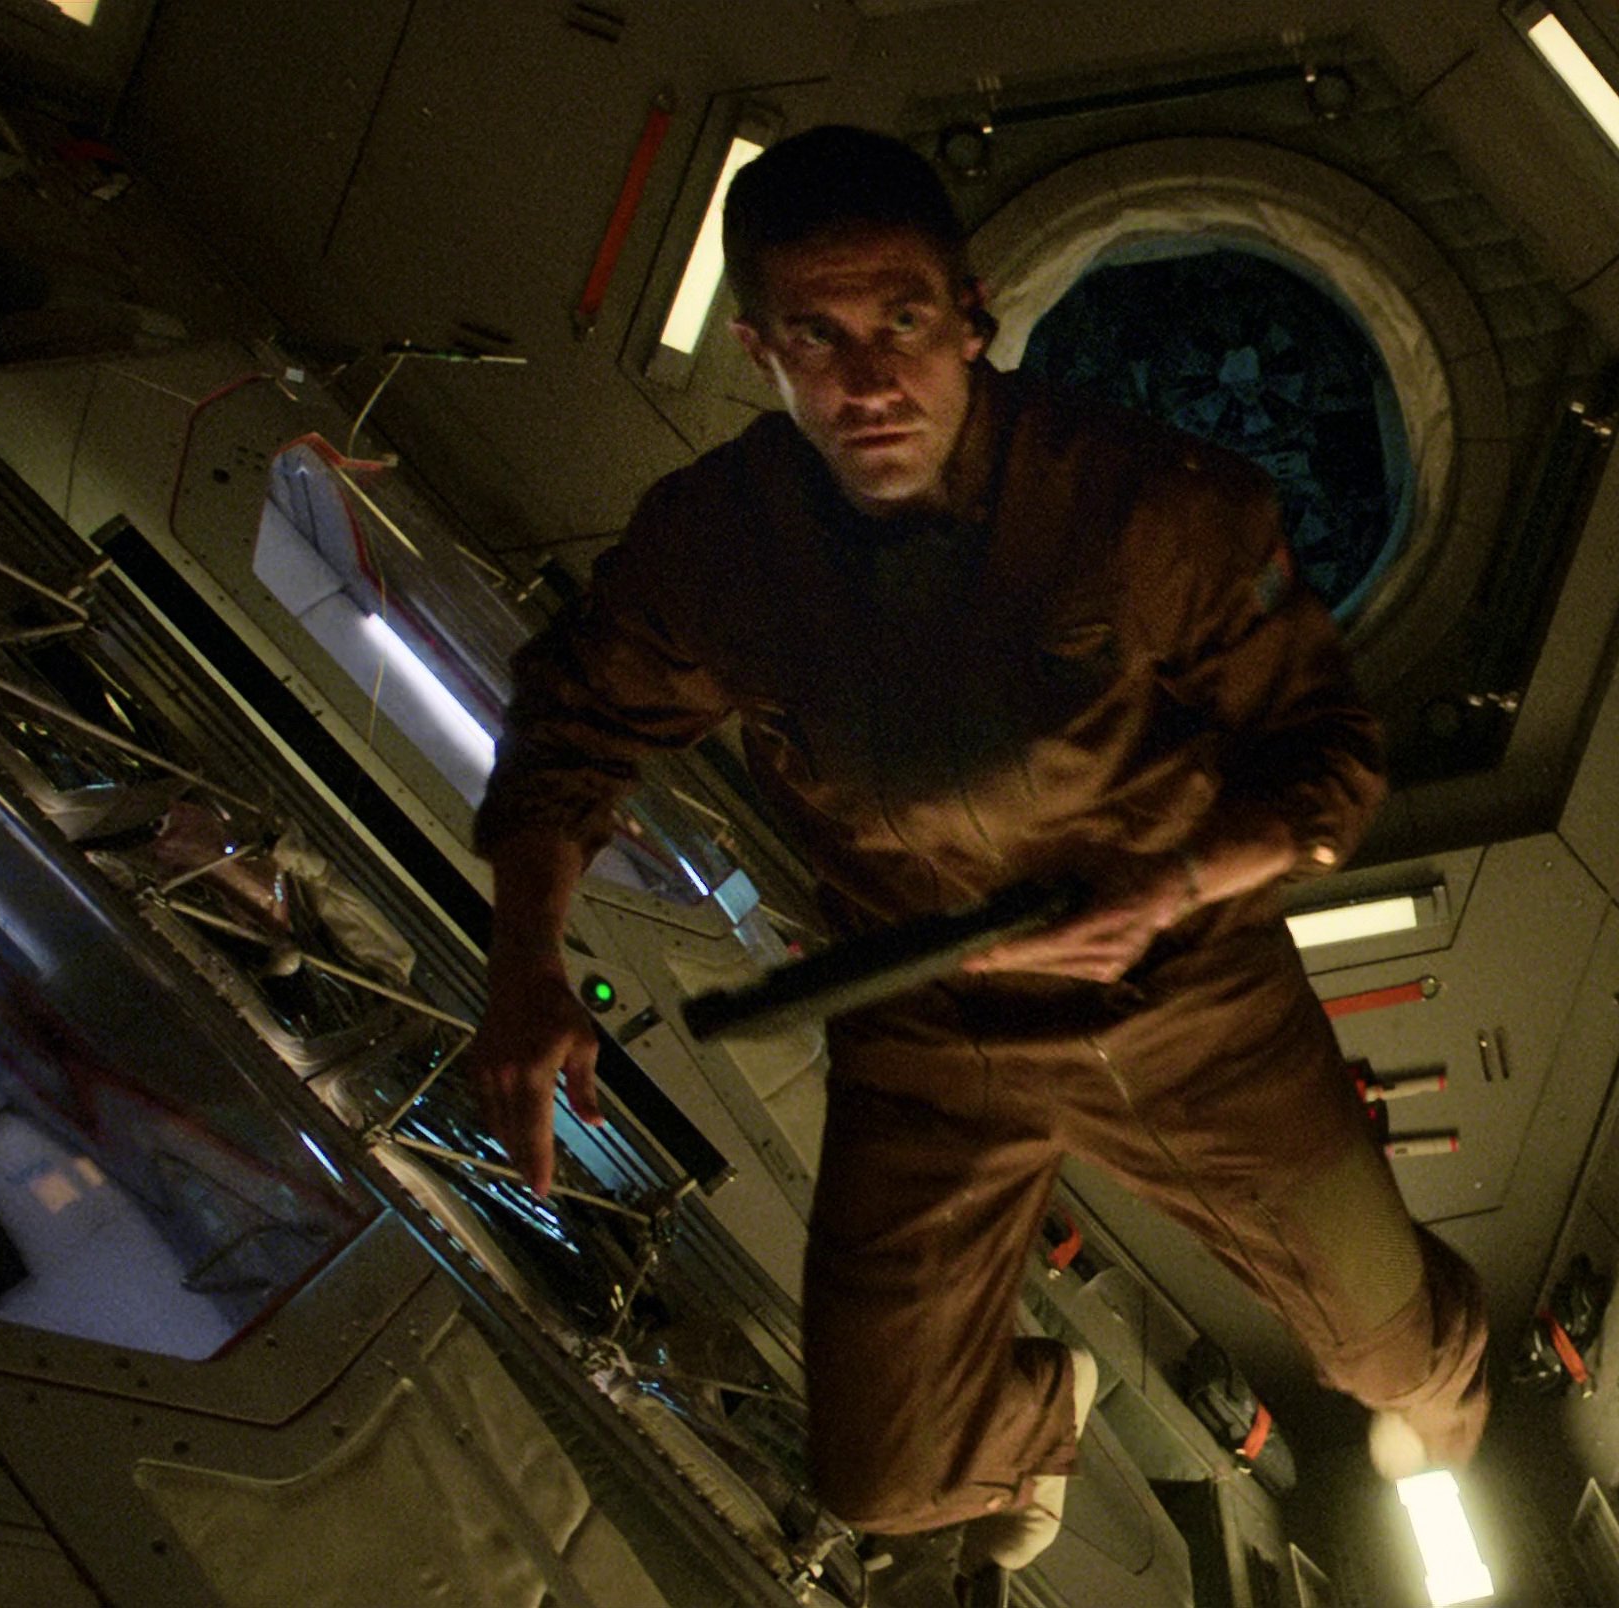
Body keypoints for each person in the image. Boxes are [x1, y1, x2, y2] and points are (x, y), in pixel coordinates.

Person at [453, 125, 1487, 1565]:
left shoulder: (1151, 504)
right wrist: (524, 967)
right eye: (816, 338)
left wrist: (1180, 883)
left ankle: (1437, 1407)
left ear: (972, 318)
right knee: (883, 1482)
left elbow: (1327, 757)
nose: (869, 381)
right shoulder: (718, 548)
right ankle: (1040, 1408)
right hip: (931, 1029)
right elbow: (572, 725)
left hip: (1196, 1002)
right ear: (756, 350)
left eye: (902, 323)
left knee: (1397, 1361)